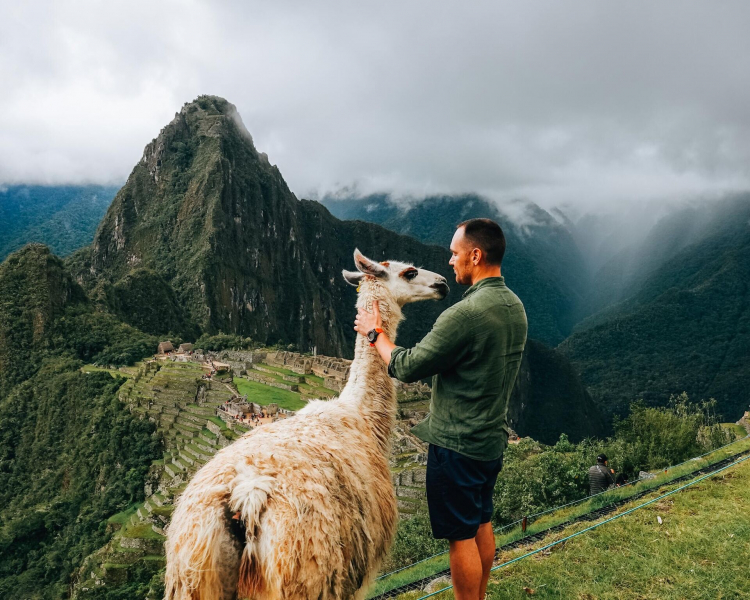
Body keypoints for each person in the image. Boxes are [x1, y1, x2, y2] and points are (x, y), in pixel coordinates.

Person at [354, 218, 528, 600]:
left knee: (460, 538)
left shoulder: (465, 315)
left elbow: (407, 366)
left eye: (455, 254)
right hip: (489, 442)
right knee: (482, 523)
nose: (450, 261)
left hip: (456, 446)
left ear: (476, 255)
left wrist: (373, 333)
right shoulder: (514, 306)